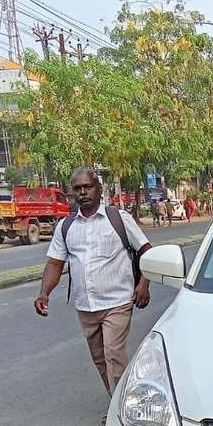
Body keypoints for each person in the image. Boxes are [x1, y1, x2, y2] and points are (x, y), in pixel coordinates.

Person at [34, 167, 152, 399]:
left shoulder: (118, 219)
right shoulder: (66, 226)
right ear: (72, 193)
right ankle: (115, 399)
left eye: (87, 187)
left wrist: (144, 284)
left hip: (117, 302)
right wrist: (44, 292)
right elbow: (55, 263)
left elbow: (147, 251)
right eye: (77, 188)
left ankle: (122, 408)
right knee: (99, 359)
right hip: (86, 307)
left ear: (99, 189)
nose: (83, 192)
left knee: (113, 355)